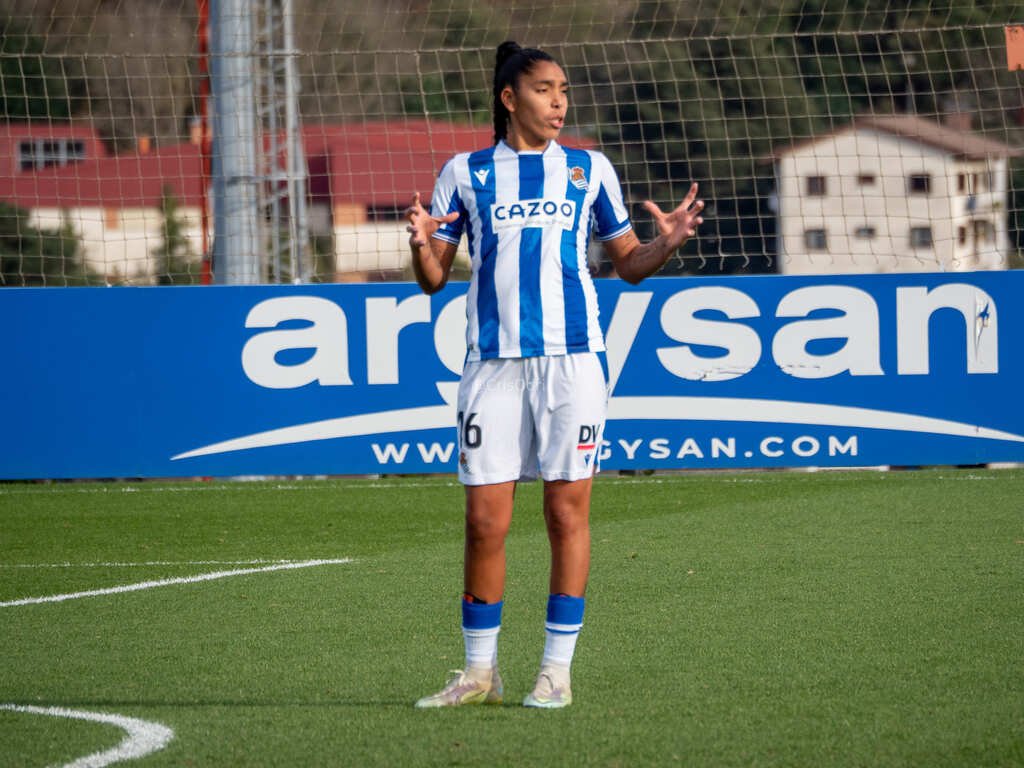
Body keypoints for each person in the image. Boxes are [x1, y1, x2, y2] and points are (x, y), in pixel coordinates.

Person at [406, 41, 703, 709]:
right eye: (544, 89)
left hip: (574, 362)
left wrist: (668, 242)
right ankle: (479, 674)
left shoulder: (588, 170)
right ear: (509, 98)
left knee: (565, 514)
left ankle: (556, 672)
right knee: (485, 521)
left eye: (564, 89)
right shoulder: (465, 172)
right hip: (492, 365)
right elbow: (432, 281)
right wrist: (422, 242)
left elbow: (627, 261)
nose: (559, 101)